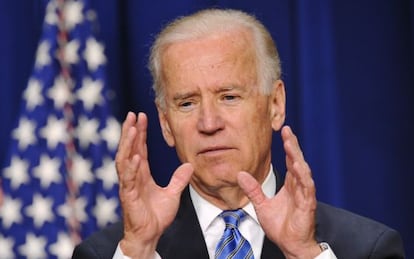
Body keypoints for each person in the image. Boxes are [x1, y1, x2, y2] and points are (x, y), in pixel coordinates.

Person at [72, 8, 405, 259]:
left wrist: (305, 253)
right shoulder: (109, 253)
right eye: (187, 103)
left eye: (229, 97)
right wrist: (141, 250)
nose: (209, 123)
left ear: (275, 104)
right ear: (165, 124)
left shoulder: (366, 248)